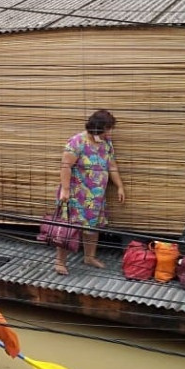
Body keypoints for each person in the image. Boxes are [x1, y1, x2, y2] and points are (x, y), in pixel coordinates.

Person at [54, 109, 126, 275]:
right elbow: (66, 166)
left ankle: (89, 256)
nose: (110, 132)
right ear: (98, 127)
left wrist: (120, 186)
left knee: (93, 226)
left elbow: (112, 166)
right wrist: (65, 190)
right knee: (69, 227)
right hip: (75, 194)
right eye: (108, 128)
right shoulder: (77, 141)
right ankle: (60, 262)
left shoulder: (106, 143)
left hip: (95, 196)